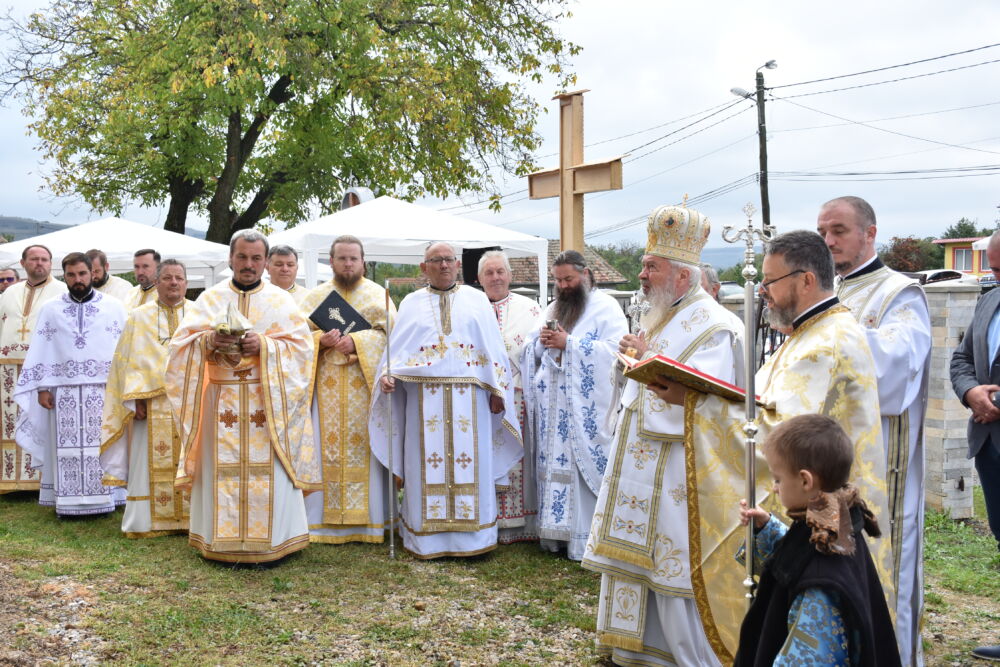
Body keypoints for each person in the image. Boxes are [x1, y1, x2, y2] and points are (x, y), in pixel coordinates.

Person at [645, 230, 893, 664]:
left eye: (771, 281)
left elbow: (783, 436)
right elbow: (763, 409)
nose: (764, 293)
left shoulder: (824, 342)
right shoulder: (809, 332)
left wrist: (694, 403)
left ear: (806, 280)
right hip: (819, 515)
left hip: (829, 527)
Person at [582, 205, 743, 665]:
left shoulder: (717, 325)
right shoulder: (661, 315)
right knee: (635, 561)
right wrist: (631, 362)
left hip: (679, 469)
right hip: (639, 458)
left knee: (672, 564)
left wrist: (652, 360)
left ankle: (687, 655)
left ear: (682, 276)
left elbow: (718, 400)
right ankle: (634, 651)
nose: (642, 274)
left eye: (652, 266)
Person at [818, 195, 930, 665]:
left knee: (883, 573)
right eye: (822, 232)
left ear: (870, 233)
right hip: (828, 461)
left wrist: (825, 323)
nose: (828, 241)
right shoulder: (829, 294)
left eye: (839, 230)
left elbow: (896, 370)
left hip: (880, 467)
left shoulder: (898, 294)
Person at [165, 230, 319, 563]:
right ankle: (218, 541)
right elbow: (179, 348)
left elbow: (303, 351)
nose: (248, 265)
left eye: (255, 258)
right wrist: (207, 342)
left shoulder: (281, 300)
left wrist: (264, 346)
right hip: (221, 402)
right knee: (221, 472)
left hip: (268, 406)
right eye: (242, 257)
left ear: (265, 261)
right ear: (231, 259)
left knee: (270, 473)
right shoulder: (210, 298)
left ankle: (275, 542)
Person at [370, 242, 522, 559]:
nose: (443, 265)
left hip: (473, 402)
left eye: (449, 260)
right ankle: (425, 540)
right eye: (436, 260)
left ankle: (475, 540)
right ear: (424, 268)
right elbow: (397, 352)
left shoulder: (477, 301)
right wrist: (387, 375)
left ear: (457, 266)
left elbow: (493, 350)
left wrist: (498, 390)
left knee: (472, 467)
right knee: (424, 465)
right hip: (424, 401)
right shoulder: (411, 303)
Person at [735, 414, 900, 667]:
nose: (776, 487)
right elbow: (800, 553)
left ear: (805, 480)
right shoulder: (834, 521)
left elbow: (811, 655)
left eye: (778, 479)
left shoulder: (820, 583)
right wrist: (766, 528)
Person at [521, 249, 627, 560]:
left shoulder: (606, 307)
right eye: (558, 280)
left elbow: (615, 352)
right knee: (553, 470)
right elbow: (531, 349)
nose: (564, 285)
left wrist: (571, 344)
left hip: (584, 412)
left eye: (568, 278)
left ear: (585, 275)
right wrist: (541, 342)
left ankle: (584, 541)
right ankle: (557, 537)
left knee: (581, 478)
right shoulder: (553, 307)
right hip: (554, 412)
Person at [13, 252, 127, 515]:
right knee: (67, 450)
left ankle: (107, 498)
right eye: (72, 275)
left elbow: (124, 350)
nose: (78, 279)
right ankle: (67, 501)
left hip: (103, 391)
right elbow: (42, 349)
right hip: (62, 392)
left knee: (101, 444)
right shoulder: (50, 309)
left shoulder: (114, 307)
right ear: (64, 276)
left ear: (92, 274)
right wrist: (42, 388)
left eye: (83, 274)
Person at [299, 236, 393, 544]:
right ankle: (319, 525)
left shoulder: (379, 296)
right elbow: (295, 342)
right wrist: (319, 342)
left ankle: (370, 524)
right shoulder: (314, 297)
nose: (348, 264)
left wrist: (358, 342)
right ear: (331, 261)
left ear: (363, 261)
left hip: (364, 392)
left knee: (365, 449)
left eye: (353, 258)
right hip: (322, 393)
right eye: (342, 259)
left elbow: (395, 340)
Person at [100, 259, 191, 537]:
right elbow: (123, 363)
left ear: (186, 283)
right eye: (167, 278)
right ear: (157, 281)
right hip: (150, 406)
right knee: (147, 463)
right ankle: (146, 521)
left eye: (179, 278)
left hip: (191, 402)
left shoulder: (200, 315)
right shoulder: (138, 316)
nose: (173, 283)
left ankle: (191, 519)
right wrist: (133, 399)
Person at [949, 229, 1000, 663]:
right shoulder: (989, 298)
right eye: (995, 269)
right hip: (990, 442)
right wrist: (971, 393)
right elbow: (961, 359)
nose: (997, 278)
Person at [478, 250, 542, 544]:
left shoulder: (530, 309)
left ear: (510, 275)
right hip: (479, 399)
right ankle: (487, 517)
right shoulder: (472, 307)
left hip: (518, 397)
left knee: (518, 459)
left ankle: (519, 523)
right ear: (480, 279)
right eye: (489, 273)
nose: (495, 278)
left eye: (500, 272)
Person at [0, 245, 66, 494]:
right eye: (34, 259)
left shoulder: (61, 291)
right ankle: (8, 479)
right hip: (7, 369)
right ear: (23, 262)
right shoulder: (9, 291)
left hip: (42, 371)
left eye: (44, 259)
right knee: (8, 423)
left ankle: (40, 480)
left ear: (51, 263)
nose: (39, 263)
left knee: (39, 422)